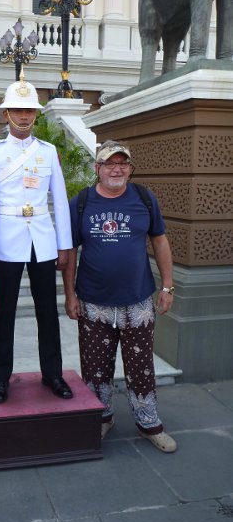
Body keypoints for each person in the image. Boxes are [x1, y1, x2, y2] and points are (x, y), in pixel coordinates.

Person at [63, 140, 177, 453]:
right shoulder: (82, 202)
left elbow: (161, 242)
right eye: (110, 163)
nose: (117, 169)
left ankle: (148, 422)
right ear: (97, 168)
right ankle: (101, 418)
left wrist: (167, 286)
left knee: (141, 365)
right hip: (93, 302)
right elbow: (70, 251)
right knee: (95, 367)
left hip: (137, 302)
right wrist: (70, 294)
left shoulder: (143, 197)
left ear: (129, 167)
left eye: (123, 163)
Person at [0, 72, 74, 404]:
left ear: (36, 114)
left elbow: (59, 199)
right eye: (18, 110)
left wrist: (64, 245)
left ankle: (53, 374)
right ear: (7, 114)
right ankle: (0, 378)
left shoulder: (48, 151)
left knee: (48, 310)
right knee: (3, 312)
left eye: (29, 110)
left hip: (42, 238)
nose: (24, 116)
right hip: (9, 239)